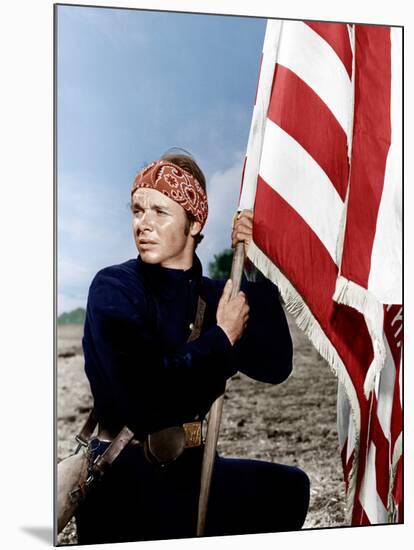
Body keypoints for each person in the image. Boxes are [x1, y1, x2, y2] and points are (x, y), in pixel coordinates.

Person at [74, 152, 310, 544]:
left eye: (160, 212)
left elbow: (276, 364)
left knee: (289, 491)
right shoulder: (114, 288)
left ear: (195, 223)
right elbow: (146, 398)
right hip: (125, 481)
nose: (142, 224)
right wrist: (222, 339)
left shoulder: (216, 296)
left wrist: (255, 268)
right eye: (137, 210)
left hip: (193, 473)